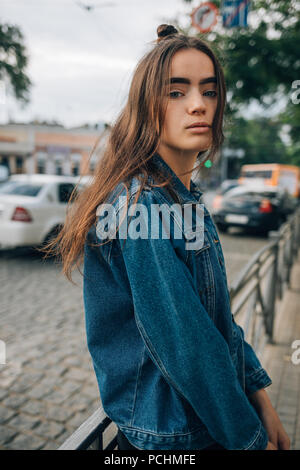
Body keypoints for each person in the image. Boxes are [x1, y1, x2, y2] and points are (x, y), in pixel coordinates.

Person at [43, 24, 290, 450]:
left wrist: (262, 401)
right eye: (177, 92)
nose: (199, 105)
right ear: (146, 106)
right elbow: (188, 345)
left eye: (209, 91)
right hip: (174, 442)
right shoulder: (143, 205)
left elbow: (217, 323)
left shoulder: (182, 198)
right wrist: (249, 438)